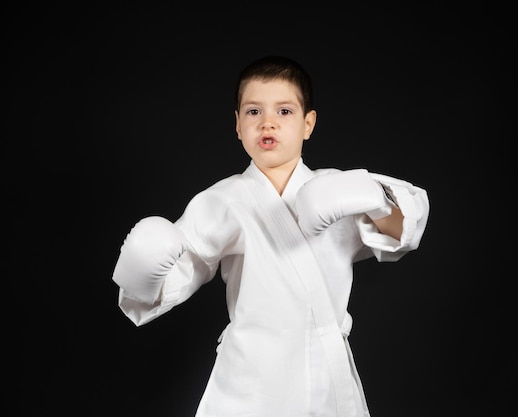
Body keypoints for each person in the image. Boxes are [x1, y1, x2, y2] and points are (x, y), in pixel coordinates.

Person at [112, 55, 430, 417]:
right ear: (237, 124)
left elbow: (402, 232)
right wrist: (141, 267)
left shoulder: (337, 189)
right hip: (251, 375)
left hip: (323, 369)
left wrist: (374, 199)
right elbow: (164, 281)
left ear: (308, 123)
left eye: (284, 111)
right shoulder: (221, 202)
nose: (267, 123)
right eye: (253, 112)